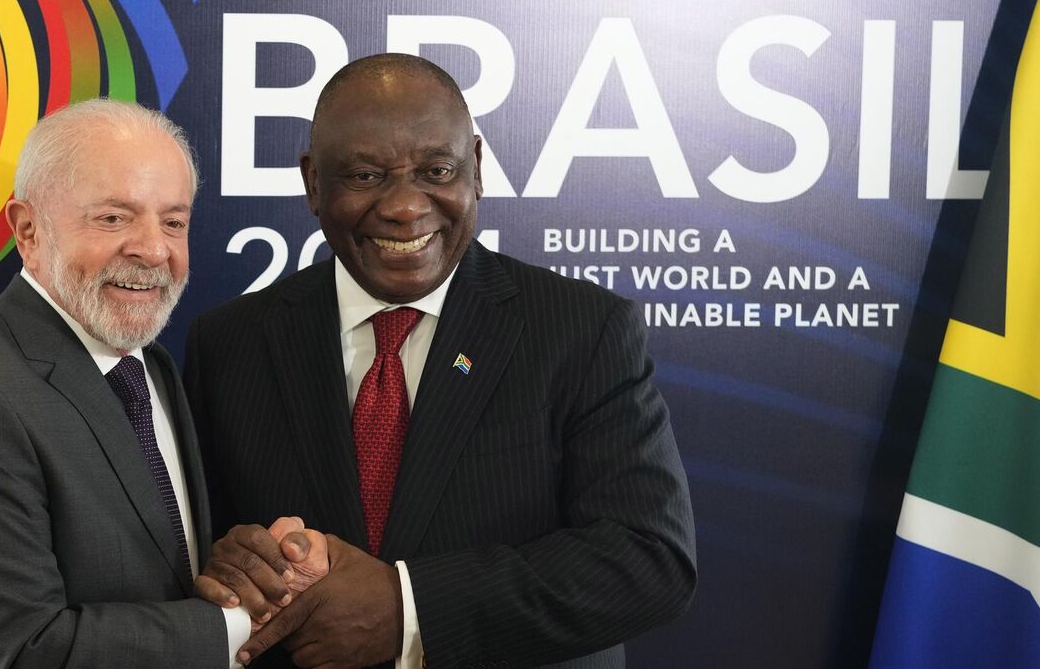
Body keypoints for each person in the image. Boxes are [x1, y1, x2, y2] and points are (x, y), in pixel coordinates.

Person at [185, 54, 696, 668]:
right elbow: (195, 550)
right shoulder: (230, 342)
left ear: (475, 169)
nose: (405, 206)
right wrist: (234, 559)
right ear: (314, 184)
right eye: (367, 175)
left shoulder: (583, 330)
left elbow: (649, 559)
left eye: (436, 169)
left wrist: (408, 609)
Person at [0, 98, 324, 668]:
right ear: (28, 231)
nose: (154, 249)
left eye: (174, 222)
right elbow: (18, 654)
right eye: (113, 218)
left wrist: (261, 572)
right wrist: (243, 621)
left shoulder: (150, 366)